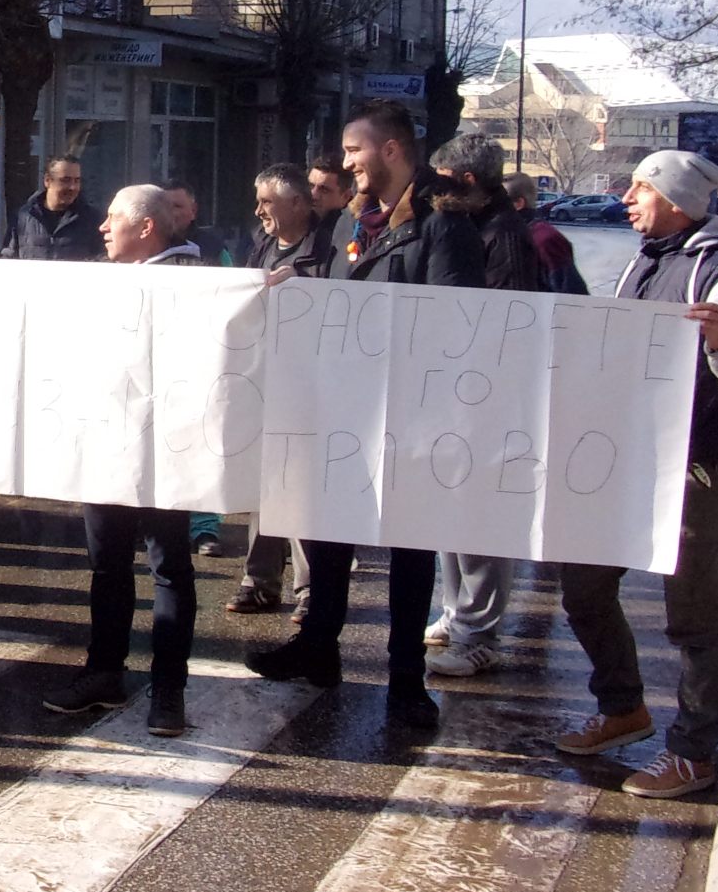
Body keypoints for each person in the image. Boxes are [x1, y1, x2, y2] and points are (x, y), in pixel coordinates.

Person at [245, 100, 486, 732]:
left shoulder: (442, 222)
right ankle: (318, 648)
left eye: (353, 151)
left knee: (410, 548)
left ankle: (406, 679)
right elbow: (342, 296)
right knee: (327, 531)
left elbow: (452, 321)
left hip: (411, 409)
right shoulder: (358, 219)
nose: (345, 162)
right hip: (347, 402)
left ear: (390, 150)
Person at [555, 150, 718, 798]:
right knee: (584, 588)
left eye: (640, 188)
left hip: (693, 469)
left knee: (694, 615)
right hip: (624, 460)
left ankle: (693, 752)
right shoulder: (645, 261)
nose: (626, 198)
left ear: (677, 200)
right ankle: (622, 706)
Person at [41, 183, 206, 737]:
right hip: (106, 444)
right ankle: (104, 673)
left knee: (168, 567)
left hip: (167, 448)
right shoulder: (101, 280)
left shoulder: (198, 286)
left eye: (114, 218)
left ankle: (168, 691)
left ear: (146, 228)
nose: (102, 227)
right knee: (108, 564)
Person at [422, 134, 543, 681]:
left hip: (486, 395)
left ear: (467, 181)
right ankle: (456, 613)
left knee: (482, 518)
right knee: (452, 512)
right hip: (459, 391)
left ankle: (480, 633)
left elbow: (509, 322)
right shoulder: (472, 225)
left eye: (442, 178)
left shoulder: (503, 235)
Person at [228, 164, 336, 615]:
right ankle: (259, 581)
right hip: (265, 377)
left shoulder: (328, 249)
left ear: (297, 203)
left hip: (311, 381)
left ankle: (310, 589)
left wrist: (305, 287)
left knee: (301, 486)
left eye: (267, 202)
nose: (259, 211)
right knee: (265, 482)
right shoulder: (263, 244)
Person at [5, 155, 101, 261]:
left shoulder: (92, 220)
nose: (72, 187)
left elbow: (102, 260)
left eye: (77, 181)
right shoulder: (23, 217)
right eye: (65, 180)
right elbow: (8, 257)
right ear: (47, 180)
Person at [505, 172, 587, 295]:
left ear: (518, 203)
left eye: (498, 201)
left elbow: (572, 295)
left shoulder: (545, 239)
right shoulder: (502, 235)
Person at [166, 182, 229, 264]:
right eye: (165, 206)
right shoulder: (149, 244)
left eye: (177, 206)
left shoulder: (215, 249)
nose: (170, 212)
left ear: (193, 210)